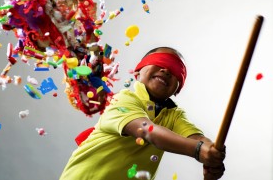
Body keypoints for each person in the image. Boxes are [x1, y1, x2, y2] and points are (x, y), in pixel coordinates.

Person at [59, 46, 226, 180]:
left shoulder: (174, 116)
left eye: (176, 70)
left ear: (178, 89)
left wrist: (211, 152)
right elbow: (146, 130)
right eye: (161, 62)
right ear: (137, 72)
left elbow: (195, 138)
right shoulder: (122, 99)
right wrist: (199, 151)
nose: (167, 70)